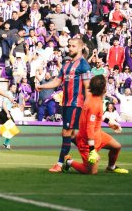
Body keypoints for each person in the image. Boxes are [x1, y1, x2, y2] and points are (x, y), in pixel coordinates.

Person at [37, 38, 92, 173]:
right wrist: (42, 86)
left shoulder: (84, 65)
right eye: (69, 46)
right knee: (72, 135)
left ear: (80, 48)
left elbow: (88, 87)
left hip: (76, 103)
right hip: (66, 104)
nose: (70, 48)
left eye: (73, 46)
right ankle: (90, 153)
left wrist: (87, 105)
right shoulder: (66, 65)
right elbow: (57, 81)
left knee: (66, 132)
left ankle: (60, 164)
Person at [62, 75, 129, 174]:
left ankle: (111, 167)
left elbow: (98, 116)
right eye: (105, 85)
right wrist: (92, 150)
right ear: (102, 88)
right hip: (88, 140)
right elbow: (90, 127)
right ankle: (69, 162)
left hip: (98, 135)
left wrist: (109, 122)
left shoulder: (95, 98)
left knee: (116, 147)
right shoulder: (94, 104)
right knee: (91, 172)